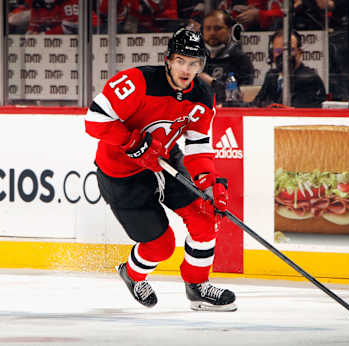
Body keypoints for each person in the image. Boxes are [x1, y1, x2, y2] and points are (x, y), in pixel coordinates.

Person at [84, 27, 237, 311]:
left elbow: (199, 146)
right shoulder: (136, 81)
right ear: (168, 59)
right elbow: (94, 121)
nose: (187, 69)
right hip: (121, 173)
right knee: (161, 246)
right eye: (181, 61)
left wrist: (208, 183)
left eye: (194, 63)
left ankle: (197, 286)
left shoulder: (202, 94)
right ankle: (132, 274)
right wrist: (133, 142)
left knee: (205, 218)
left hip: (164, 160)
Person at [252, 30, 326, 108]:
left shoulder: (309, 78)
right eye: (278, 51)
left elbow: (294, 110)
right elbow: (256, 103)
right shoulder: (271, 75)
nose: (284, 55)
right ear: (271, 54)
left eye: (290, 50)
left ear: (300, 52)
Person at [198, 10, 255, 106]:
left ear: (229, 30)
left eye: (217, 28)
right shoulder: (195, 59)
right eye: (208, 28)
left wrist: (212, 82)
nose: (212, 33)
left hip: (227, 114)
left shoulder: (241, 60)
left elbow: (241, 96)